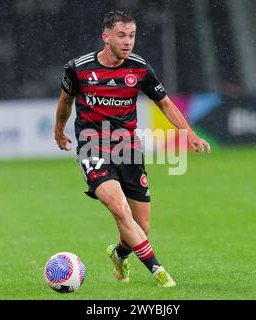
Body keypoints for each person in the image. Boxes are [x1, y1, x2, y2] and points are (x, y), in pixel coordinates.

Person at [54, 10, 210, 288]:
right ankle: (158, 271)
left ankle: (119, 253)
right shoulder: (77, 69)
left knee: (142, 227)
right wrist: (58, 130)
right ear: (106, 36)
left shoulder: (139, 68)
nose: (128, 42)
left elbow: (164, 103)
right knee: (120, 208)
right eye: (122, 35)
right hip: (92, 147)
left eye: (132, 36)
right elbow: (66, 101)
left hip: (128, 150)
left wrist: (189, 133)